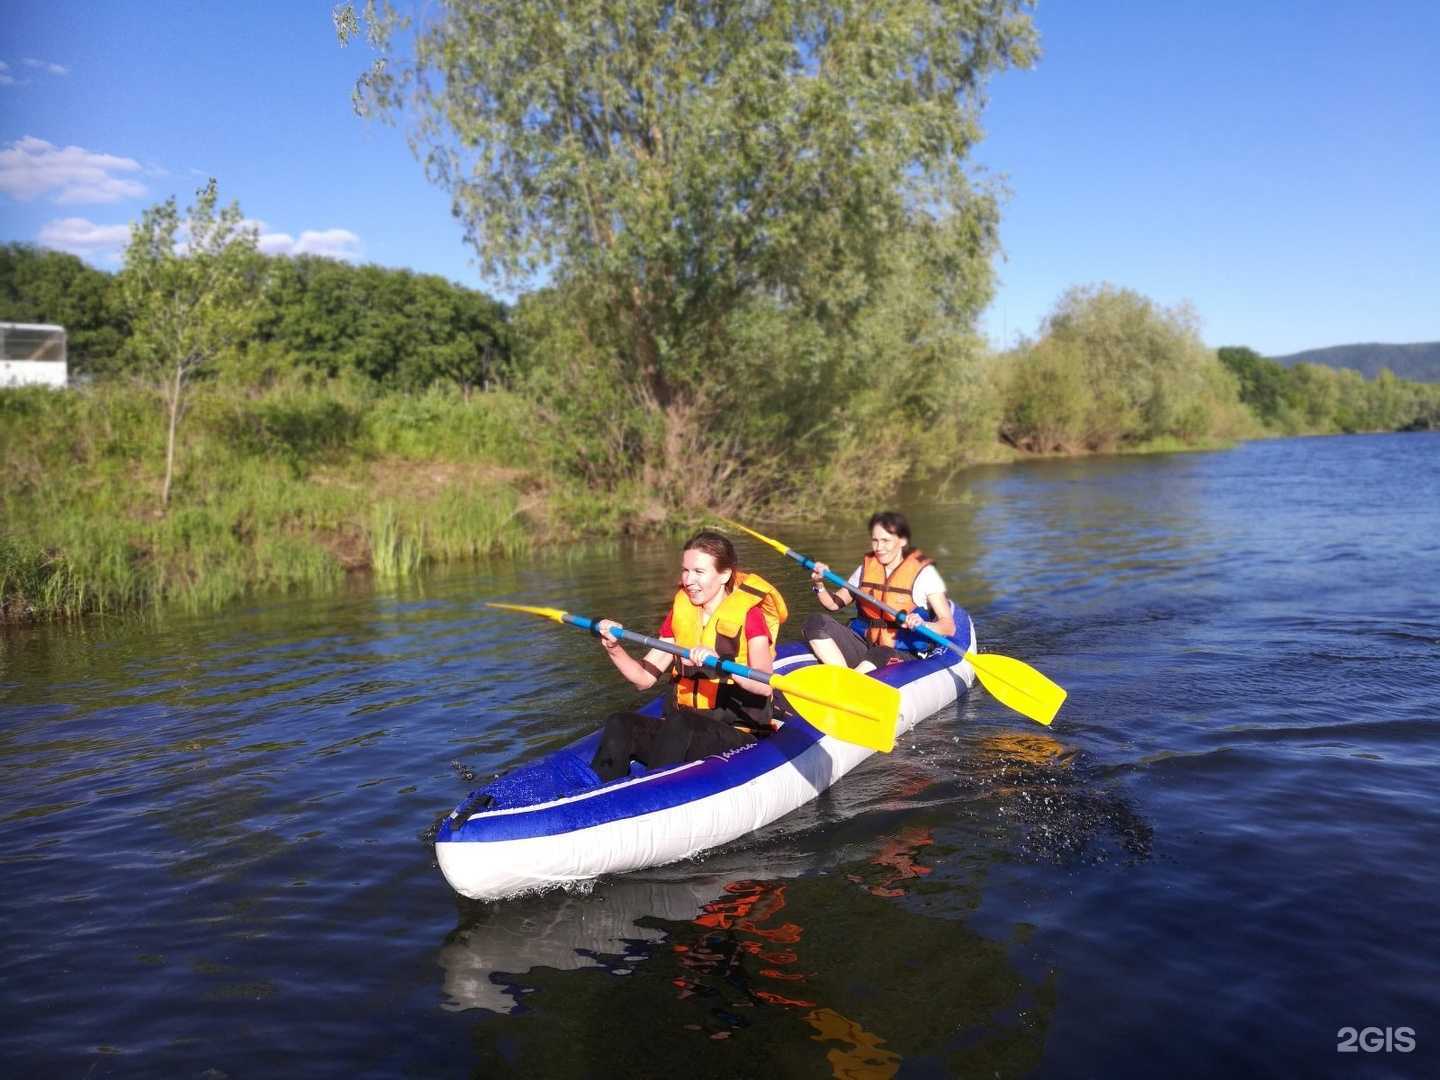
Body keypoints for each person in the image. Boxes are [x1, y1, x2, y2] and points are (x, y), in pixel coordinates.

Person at [589, 530, 788, 782]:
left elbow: (763, 685)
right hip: (683, 730)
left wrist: (721, 663)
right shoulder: (681, 612)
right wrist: (613, 648)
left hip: (736, 732)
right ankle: (601, 791)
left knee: (682, 722)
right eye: (685, 570)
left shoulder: (750, 617)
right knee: (621, 722)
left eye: (699, 572)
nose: (688, 580)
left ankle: (654, 794)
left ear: (724, 574)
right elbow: (643, 679)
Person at [803, 510, 955, 672]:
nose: (879, 547)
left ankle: (851, 682)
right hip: (865, 643)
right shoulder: (865, 569)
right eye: (875, 541)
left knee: (881, 653)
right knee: (815, 622)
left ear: (902, 541)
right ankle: (844, 676)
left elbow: (948, 626)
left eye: (885, 541)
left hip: (903, 653)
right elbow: (834, 604)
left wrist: (923, 624)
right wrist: (819, 584)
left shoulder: (925, 575)